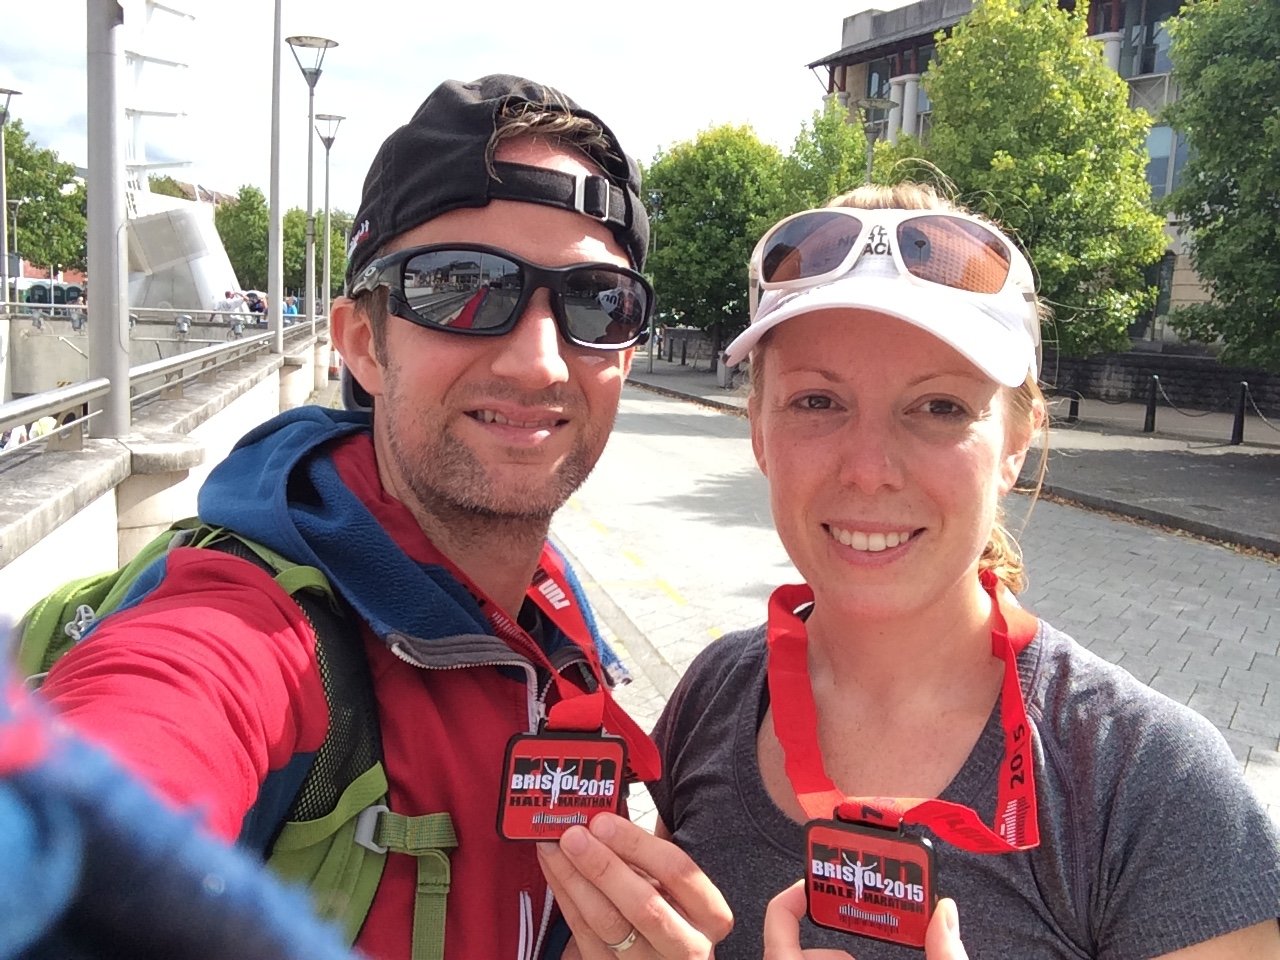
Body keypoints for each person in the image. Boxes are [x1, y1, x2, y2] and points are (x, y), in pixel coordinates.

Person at [31, 75, 729, 960]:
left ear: (625, 351)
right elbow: (133, 748)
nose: (540, 361)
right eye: (463, 287)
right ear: (362, 340)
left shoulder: (551, 611)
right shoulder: (252, 630)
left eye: (596, 301)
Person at [650, 183, 1280, 959]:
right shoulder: (712, 697)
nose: (870, 469)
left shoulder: (1150, 784)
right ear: (758, 432)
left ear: (1018, 441)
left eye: (941, 407)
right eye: (817, 402)